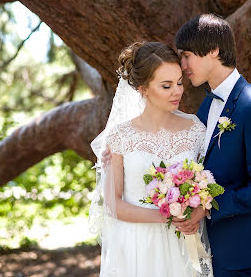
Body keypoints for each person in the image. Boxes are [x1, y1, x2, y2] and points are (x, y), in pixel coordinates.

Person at [172, 14, 251, 276]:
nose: (182, 65)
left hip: (238, 249)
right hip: (207, 246)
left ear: (213, 50)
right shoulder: (207, 104)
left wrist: (208, 206)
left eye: (187, 55)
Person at [89, 42, 213, 277]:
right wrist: (167, 215)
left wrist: (198, 210)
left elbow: (209, 184)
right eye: (166, 86)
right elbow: (113, 204)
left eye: (179, 82)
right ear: (143, 88)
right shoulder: (120, 136)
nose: (177, 91)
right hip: (137, 246)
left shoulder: (195, 129)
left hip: (183, 243)